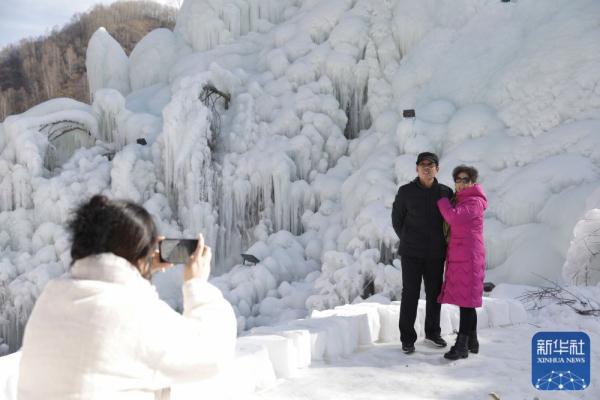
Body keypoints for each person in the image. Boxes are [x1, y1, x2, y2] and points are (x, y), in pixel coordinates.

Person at [18, 195, 237, 399]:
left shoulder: (50, 299)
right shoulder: (133, 314)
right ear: (138, 255)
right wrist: (196, 284)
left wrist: (140, 265)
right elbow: (211, 352)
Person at [391, 152, 453, 354]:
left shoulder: (445, 192)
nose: (427, 168)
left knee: (435, 294)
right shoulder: (406, 192)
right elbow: (397, 220)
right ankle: (407, 338)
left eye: (431, 164)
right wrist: (408, 238)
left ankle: (433, 333)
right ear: (417, 168)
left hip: (436, 253)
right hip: (411, 253)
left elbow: (452, 222)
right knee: (410, 294)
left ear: (437, 168)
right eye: (423, 165)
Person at [436, 165, 487, 360]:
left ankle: (462, 346)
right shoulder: (461, 200)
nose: (461, 183)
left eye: (465, 180)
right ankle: (472, 341)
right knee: (467, 302)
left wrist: (442, 201)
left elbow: (453, 218)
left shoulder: (474, 201)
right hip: (462, 256)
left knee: (466, 302)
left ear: (473, 182)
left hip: (469, 256)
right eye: (458, 180)